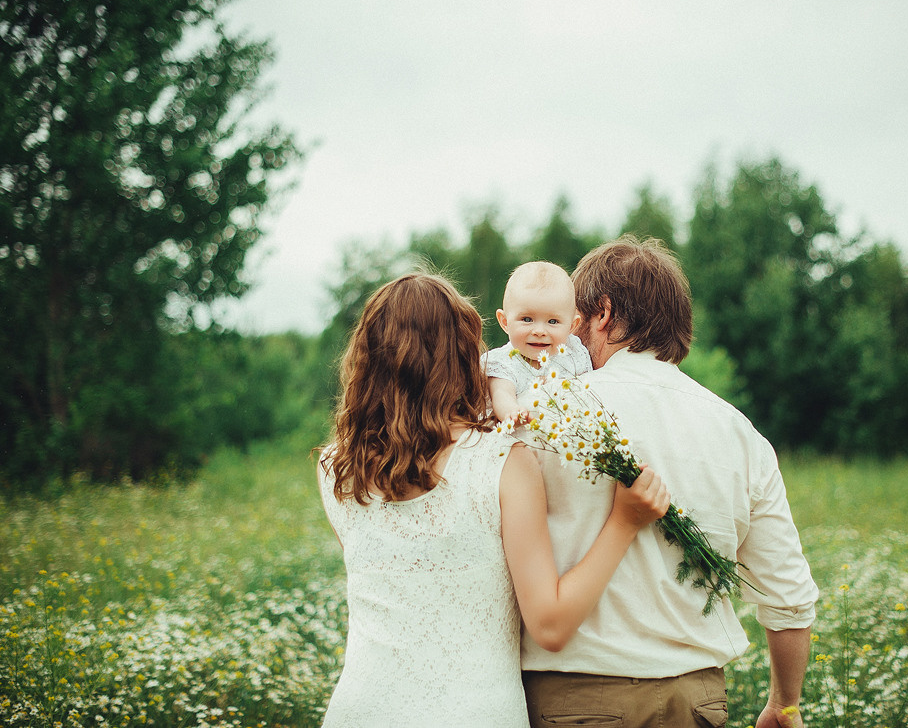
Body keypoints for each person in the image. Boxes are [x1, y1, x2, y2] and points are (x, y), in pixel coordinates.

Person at [316, 273, 670, 728]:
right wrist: (624, 520)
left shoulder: (336, 469)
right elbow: (551, 626)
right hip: (474, 714)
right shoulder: (501, 461)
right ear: (466, 354)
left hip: (358, 711)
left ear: (363, 359)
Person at [520, 237, 820, 728]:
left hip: (577, 700)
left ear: (603, 314)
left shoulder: (549, 412)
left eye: (574, 320)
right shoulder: (738, 432)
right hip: (698, 702)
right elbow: (788, 595)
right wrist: (783, 704)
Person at [483, 260, 592, 424]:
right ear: (505, 322)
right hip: (521, 437)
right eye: (527, 319)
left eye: (553, 321)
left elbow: (591, 388)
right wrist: (512, 412)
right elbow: (502, 395)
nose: (540, 331)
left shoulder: (573, 353)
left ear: (572, 326)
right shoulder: (502, 363)